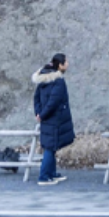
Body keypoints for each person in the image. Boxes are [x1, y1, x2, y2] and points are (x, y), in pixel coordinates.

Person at [32, 52, 75, 186]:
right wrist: (43, 114)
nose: (68, 64)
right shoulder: (58, 81)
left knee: (51, 146)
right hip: (54, 119)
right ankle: (44, 177)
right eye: (66, 62)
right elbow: (53, 102)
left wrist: (38, 113)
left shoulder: (44, 78)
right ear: (60, 65)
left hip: (46, 118)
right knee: (50, 148)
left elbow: (37, 98)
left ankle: (51, 173)